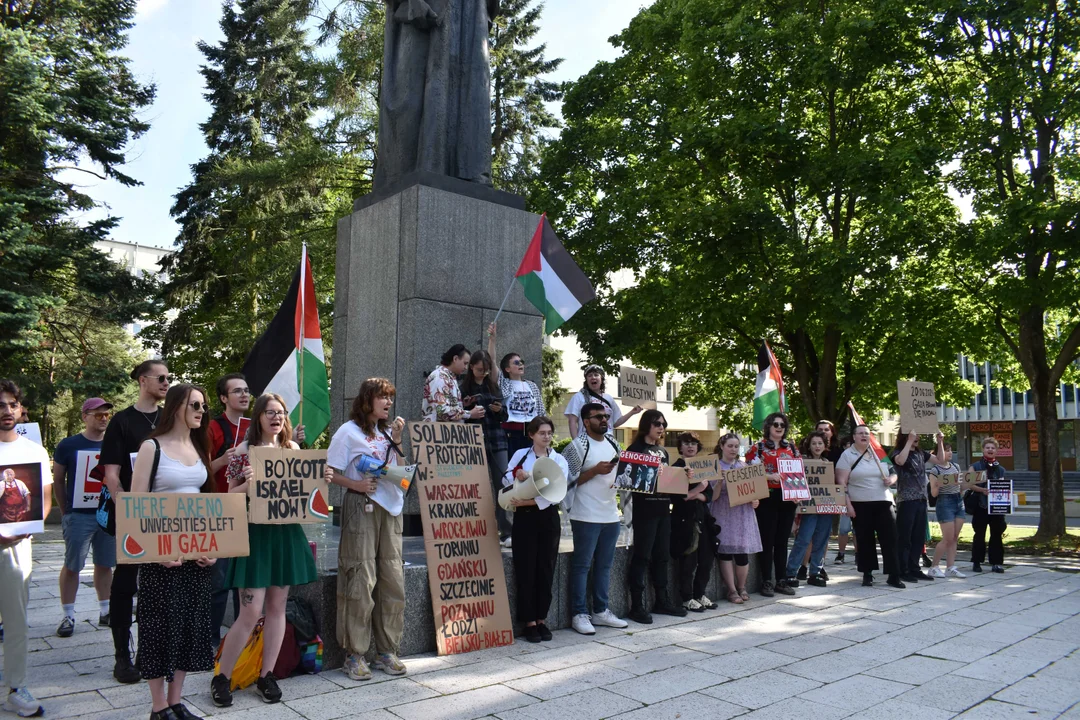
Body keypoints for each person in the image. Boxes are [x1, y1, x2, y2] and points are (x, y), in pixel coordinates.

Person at [211, 393, 322, 707]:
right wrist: (249, 483)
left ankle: (267, 675)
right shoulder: (244, 451)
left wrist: (320, 479)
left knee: (277, 608)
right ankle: (222, 676)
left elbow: (305, 491)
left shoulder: (293, 450)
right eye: (270, 412)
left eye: (282, 412)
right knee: (250, 611)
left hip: (285, 535)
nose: (276, 417)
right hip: (255, 536)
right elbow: (230, 493)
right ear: (258, 416)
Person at [130, 384, 215, 720]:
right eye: (195, 404)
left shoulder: (200, 447)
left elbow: (209, 506)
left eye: (204, 406)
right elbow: (135, 506)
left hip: (195, 556)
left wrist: (213, 549)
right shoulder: (151, 447)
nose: (201, 410)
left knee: (189, 626)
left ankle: (176, 700)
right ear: (176, 405)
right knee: (157, 626)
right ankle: (158, 706)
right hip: (161, 557)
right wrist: (156, 552)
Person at [328, 379, 409, 680]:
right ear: (367, 400)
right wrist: (356, 484)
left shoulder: (388, 432)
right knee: (360, 578)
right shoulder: (347, 432)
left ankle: (387, 651)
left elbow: (403, 474)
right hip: (361, 505)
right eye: (382, 397)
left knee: (392, 580)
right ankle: (354, 654)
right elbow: (329, 473)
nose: (388, 403)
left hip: (391, 508)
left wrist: (398, 440)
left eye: (390, 397)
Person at [99, 358, 171, 683]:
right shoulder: (122, 422)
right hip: (130, 516)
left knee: (155, 587)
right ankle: (121, 656)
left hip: (164, 517)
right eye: (161, 377)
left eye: (169, 378)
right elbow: (111, 476)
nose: (167, 383)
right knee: (125, 584)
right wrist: (128, 510)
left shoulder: (172, 420)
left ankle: (148, 651)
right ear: (143, 380)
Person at [0, 379, 51, 717]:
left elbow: (44, 500)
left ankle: (16, 686)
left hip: (16, 545)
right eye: (0, 406)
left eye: (11, 404)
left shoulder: (33, 451)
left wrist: (24, 528)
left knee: (16, 620)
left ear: (20, 408)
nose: (6, 411)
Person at [561, 403, 629, 635]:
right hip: (585, 514)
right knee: (582, 566)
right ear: (585, 420)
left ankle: (601, 611)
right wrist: (593, 472)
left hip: (610, 514)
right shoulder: (577, 446)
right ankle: (579, 614)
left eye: (606, 416)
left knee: (604, 566)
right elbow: (563, 482)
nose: (604, 420)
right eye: (598, 416)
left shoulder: (613, 443)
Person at [52, 398, 115, 638]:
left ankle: (105, 611)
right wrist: (65, 510)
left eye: (106, 415)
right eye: (98, 414)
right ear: (84, 416)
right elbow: (58, 479)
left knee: (105, 564)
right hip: (78, 515)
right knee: (72, 565)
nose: (103, 418)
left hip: (106, 514)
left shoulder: (113, 443)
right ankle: (68, 614)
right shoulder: (69, 445)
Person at [502, 416, 568, 642]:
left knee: (546, 568)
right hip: (525, 518)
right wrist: (517, 475)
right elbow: (505, 478)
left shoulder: (559, 460)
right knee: (526, 568)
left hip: (547, 516)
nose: (547, 436)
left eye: (549, 432)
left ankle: (542, 619)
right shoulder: (521, 455)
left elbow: (558, 492)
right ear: (531, 434)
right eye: (542, 433)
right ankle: (529, 622)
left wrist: (531, 502)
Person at [622, 409, 687, 623]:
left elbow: (667, 483)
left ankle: (662, 600)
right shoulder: (635, 449)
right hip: (644, 511)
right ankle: (637, 605)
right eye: (657, 423)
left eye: (663, 423)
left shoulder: (663, 452)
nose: (661, 427)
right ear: (646, 425)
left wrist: (681, 476)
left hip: (663, 510)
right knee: (642, 557)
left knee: (662, 556)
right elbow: (632, 483)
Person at [206, 373, 251, 651]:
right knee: (219, 579)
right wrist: (224, 459)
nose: (244, 395)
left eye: (246, 391)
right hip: (220, 509)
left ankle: (242, 638)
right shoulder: (212, 428)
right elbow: (201, 470)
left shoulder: (254, 427)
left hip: (249, 511)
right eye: (237, 391)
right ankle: (211, 640)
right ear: (224, 398)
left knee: (243, 580)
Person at [836, 425, 904, 588]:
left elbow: (893, 472)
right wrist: (848, 504)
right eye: (860, 433)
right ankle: (868, 573)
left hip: (884, 501)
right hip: (860, 503)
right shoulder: (847, 455)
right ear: (854, 437)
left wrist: (892, 480)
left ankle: (894, 574)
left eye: (867, 433)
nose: (864, 436)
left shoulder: (878, 452)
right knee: (865, 539)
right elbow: (841, 482)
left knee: (891, 538)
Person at [745, 412, 800, 597]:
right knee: (767, 541)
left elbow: (799, 471)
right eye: (775, 424)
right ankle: (766, 581)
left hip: (787, 498)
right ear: (768, 426)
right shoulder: (757, 448)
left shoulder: (792, 447)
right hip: (766, 497)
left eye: (782, 424)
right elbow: (748, 472)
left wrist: (798, 492)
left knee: (782, 541)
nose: (779, 427)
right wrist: (769, 476)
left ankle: (781, 580)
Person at [460, 350, 512, 544]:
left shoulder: (494, 386)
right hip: (473, 440)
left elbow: (505, 415)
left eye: (486, 370)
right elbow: (458, 414)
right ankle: (477, 530)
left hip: (496, 439)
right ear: (471, 367)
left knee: (503, 484)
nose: (483, 373)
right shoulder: (463, 388)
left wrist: (499, 410)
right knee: (477, 487)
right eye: (480, 369)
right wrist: (468, 410)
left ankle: (506, 530)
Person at [711, 433, 761, 604]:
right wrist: (718, 481)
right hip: (723, 512)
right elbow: (713, 497)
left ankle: (742, 587)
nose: (733, 449)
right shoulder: (715, 467)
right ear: (722, 446)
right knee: (725, 553)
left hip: (742, 514)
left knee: (742, 553)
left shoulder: (744, 466)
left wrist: (755, 500)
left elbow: (754, 492)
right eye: (730, 446)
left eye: (735, 446)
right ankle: (731, 590)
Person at [670, 432, 716, 612]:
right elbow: (679, 497)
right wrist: (698, 489)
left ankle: (700, 593)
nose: (690, 446)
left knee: (706, 558)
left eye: (694, 443)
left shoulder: (702, 466)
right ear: (680, 447)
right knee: (689, 560)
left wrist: (697, 494)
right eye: (686, 443)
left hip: (703, 517)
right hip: (685, 520)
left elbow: (709, 495)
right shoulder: (677, 467)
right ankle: (686, 598)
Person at [891, 429, 943, 583]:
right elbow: (900, 461)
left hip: (921, 500)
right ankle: (903, 569)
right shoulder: (897, 452)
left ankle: (915, 568)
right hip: (906, 500)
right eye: (912, 435)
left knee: (918, 537)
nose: (917, 437)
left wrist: (939, 441)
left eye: (917, 436)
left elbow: (940, 460)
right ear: (905, 437)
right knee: (905, 537)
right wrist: (908, 441)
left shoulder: (921, 453)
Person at [486, 323, 544, 455]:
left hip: (532, 432)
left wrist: (545, 431)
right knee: (514, 469)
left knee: (531, 468)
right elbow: (492, 361)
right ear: (507, 369)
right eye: (516, 363)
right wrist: (492, 340)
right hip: (511, 433)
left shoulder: (532, 385)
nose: (521, 364)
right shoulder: (505, 383)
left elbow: (541, 411)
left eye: (521, 361)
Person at [785, 431, 834, 587]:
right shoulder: (802, 462)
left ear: (825, 445)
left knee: (821, 540)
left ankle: (815, 573)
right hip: (808, 508)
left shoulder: (827, 463)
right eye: (814, 443)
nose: (817, 446)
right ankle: (791, 572)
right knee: (803, 540)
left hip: (825, 508)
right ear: (809, 445)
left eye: (820, 443)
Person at [564, 365, 642, 438]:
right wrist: (576, 443)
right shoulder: (578, 397)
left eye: (596, 375)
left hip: (608, 441)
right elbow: (572, 421)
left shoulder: (609, 398)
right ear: (586, 380)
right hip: (587, 441)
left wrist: (632, 412)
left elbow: (615, 422)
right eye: (589, 375)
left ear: (602, 379)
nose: (593, 377)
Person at [927, 442, 967, 578]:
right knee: (947, 538)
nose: (949, 453)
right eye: (946, 450)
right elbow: (933, 494)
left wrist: (965, 484)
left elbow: (962, 485)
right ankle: (934, 566)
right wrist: (938, 484)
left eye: (950, 450)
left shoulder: (956, 466)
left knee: (955, 537)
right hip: (945, 502)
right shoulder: (935, 470)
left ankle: (950, 567)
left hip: (958, 501)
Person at [969, 437, 1008, 573]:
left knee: (996, 534)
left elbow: (1003, 486)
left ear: (996, 451)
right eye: (987, 448)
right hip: (981, 505)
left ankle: (996, 563)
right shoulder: (975, 467)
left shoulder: (1000, 469)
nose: (990, 450)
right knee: (979, 534)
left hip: (996, 507)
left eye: (993, 448)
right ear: (983, 450)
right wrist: (982, 490)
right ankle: (977, 562)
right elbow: (969, 484)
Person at [423, 345, 485, 423]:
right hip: (439, 431)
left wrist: (461, 403)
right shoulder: (439, 377)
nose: (466, 367)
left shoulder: (448, 377)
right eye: (465, 363)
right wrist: (470, 413)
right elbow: (442, 410)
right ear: (455, 359)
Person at [834, 434, 856, 564]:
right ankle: (841, 554)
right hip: (845, 497)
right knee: (843, 528)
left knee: (857, 530)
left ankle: (858, 554)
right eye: (847, 446)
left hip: (859, 497)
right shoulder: (843, 460)